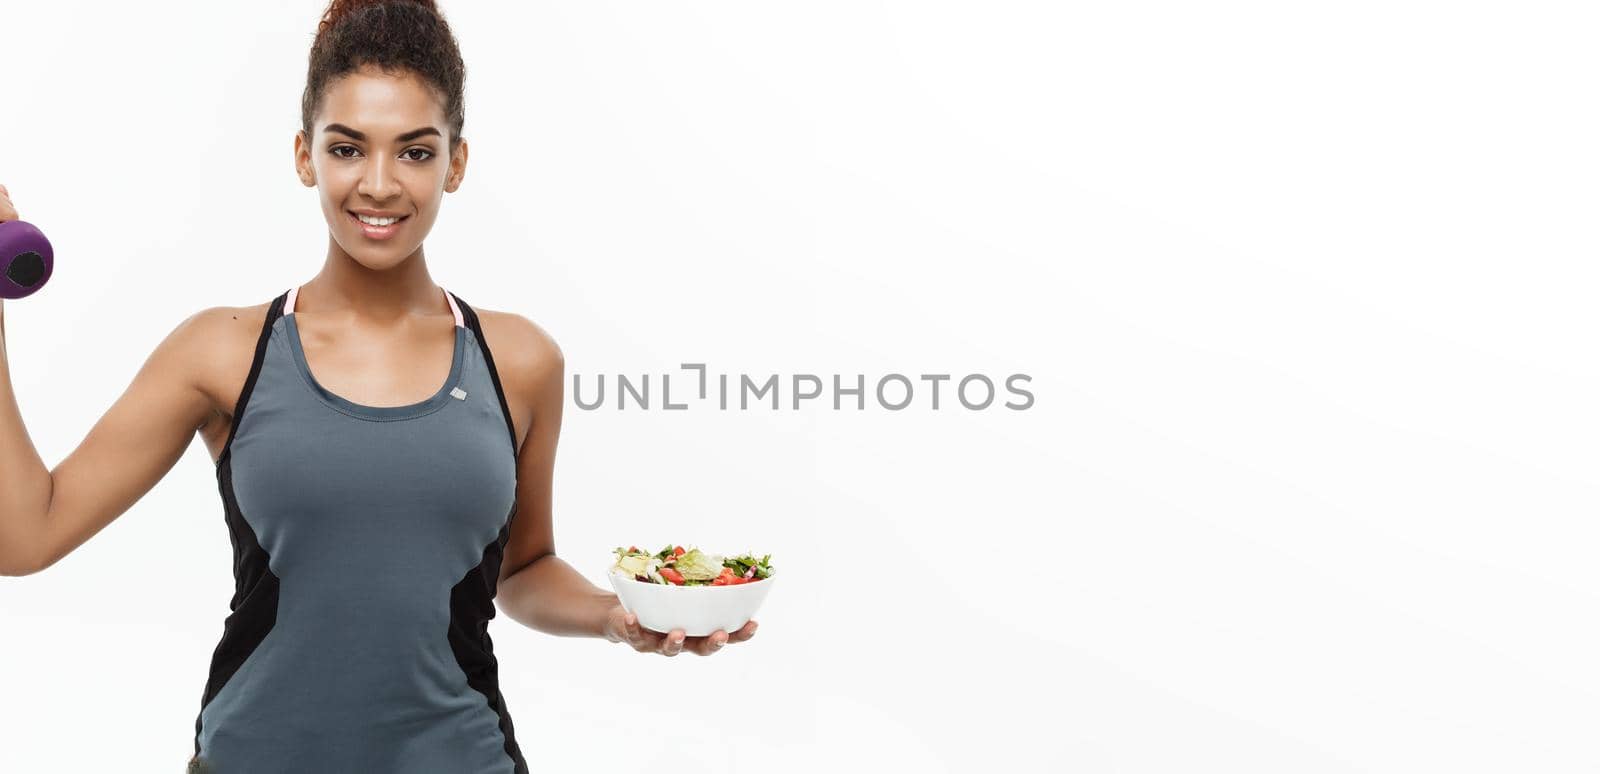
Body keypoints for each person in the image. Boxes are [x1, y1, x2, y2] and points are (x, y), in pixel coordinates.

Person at [0, 1, 756, 772]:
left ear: (456, 163)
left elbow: (522, 571)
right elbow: (25, 536)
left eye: (416, 153)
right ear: (305, 157)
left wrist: (615, 617)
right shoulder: (221, 352)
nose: (380, 185)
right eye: (348, 148)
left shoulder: (521, 361)